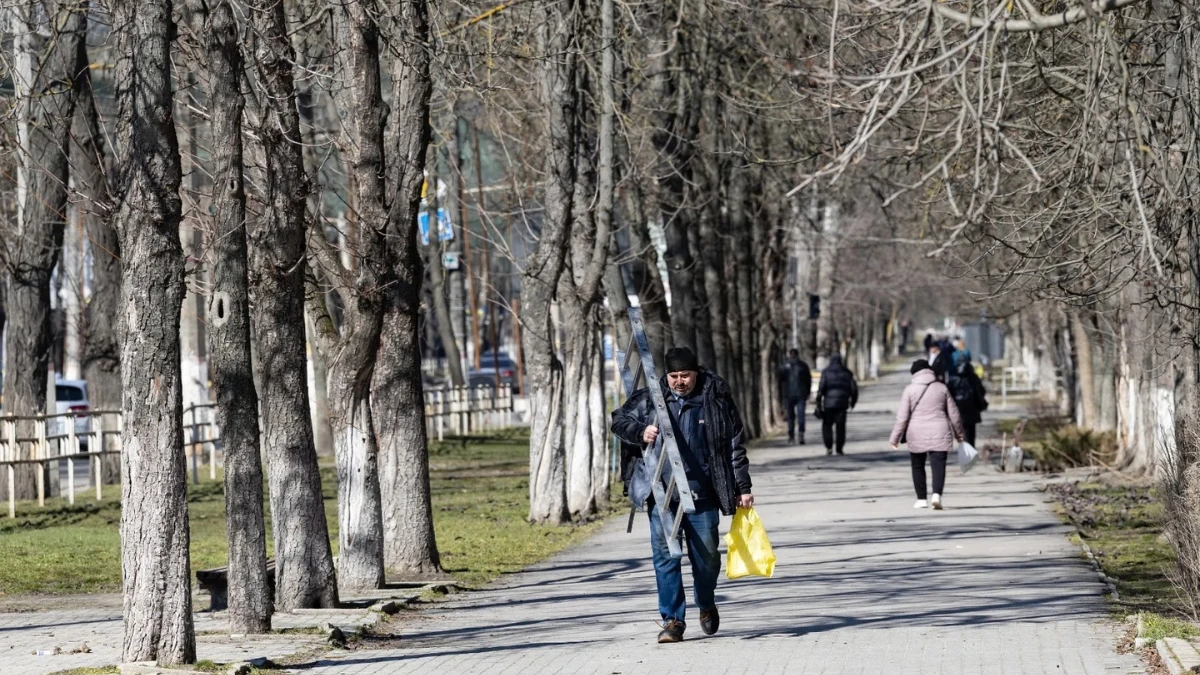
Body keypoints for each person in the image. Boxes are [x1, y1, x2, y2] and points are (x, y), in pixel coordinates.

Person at [610, 347, 754, 644]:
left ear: (695, 373)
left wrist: (743, 487)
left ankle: (705, 601)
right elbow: (618, 420)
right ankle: (673, 620)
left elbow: (734, 444)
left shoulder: (714, 398)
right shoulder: (651, 396)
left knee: (707, 560)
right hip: (662, 495)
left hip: (703, 495)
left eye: (685, 375)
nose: (679, 381)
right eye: (674, 376)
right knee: (665, 558)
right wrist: (640, 432)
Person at [890, 360, 965, 510]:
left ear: (914, 374)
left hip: (916, 432)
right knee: (939, 466)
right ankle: (937, 495)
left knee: (918, 466)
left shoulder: (909, 390)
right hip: (940, 430)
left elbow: (902, 417)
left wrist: (895, 438)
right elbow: (954, 414)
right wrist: (960, 434)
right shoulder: (942, 388)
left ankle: (921, 499)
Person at [815, 353, 858, 456]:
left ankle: (829, 446)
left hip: (828, 404)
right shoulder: (847, 373)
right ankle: (839, 448)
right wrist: (852, 402)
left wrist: (818, 401)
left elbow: (821, 388)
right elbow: (854, 389)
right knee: (841, 427)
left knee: (827, 426)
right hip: (842, 404)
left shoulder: (826, 372)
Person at [947, 351, 988, 446]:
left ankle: (964, 451)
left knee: (961, 431)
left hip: (958, 409)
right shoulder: (973, 377)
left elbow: (948, 394)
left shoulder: (953, 378)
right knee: (971, 432)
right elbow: (982, 390)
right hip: (972, 409)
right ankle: (971, 451)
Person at [779, 349, 812, 444]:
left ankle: (791, 436)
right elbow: (808, 380)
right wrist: (808, 393)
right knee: (801, 415)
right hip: (801, 394)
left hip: (789, 394)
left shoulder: (785, 366)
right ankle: (801, 434)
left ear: (790, 355)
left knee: (790, 416)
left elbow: (781, 379)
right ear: (798, 354)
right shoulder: (803, 366)